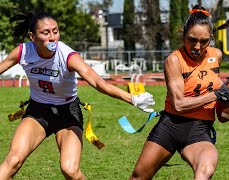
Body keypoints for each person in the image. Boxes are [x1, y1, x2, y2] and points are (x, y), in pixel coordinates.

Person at [0, 9, 155, 180]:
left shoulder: (67, 56)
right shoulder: (23, 51)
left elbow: (98, 83)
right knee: (13, 160)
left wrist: (132, 98)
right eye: (45, 33)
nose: (52, 37)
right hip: (38, 111)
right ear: (32, 37)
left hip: (67, 114)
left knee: (70, 170)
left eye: (55, 31)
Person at [130, 5, 229, 180]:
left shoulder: (217, 55)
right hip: (170, 126)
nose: (197, 46)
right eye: (192, 39)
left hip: (199, 129)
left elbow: (209, 79)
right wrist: (216, 94)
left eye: (204, 41)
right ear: (183, 34)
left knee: (205, 169)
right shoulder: (174, 60)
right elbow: (179, 104)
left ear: (211, 38)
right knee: (138, 177)